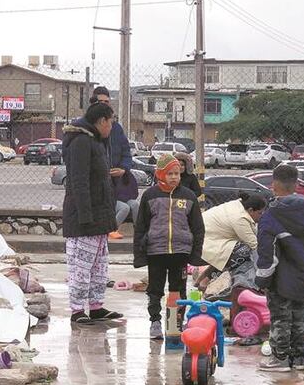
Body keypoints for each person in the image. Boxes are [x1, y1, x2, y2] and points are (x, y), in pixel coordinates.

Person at [255, 164, 304, 372]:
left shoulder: (272, 215)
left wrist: (262, 279)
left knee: (281, 318)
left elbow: (268, 253)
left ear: (273, 185)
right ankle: (301, 357)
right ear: (296, 185)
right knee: (299, 316)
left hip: (281, 278)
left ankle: (280, 358)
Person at [62, 101, 123, 325]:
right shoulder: (80, 142)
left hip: (99, 218)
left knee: (99, 266)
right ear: (101, 121)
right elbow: (79, 182)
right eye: (111, 121)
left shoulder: (95, 141)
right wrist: (86, 216)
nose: (112, 126)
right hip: (83, 220)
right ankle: (77, 310)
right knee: (81, 266)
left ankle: (96, 306)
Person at [134, 155, 206, 340]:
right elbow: (141, 226)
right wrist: (139, 255)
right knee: (155, 289)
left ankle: (175, 322)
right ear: (160, 174)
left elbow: (198, 228)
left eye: (177, 173)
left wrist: (195, 255)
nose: (174, 177)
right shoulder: (150, 195)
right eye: (170, 173)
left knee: (177, 290)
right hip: (156, 252)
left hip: (180, 253)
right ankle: (155, 321)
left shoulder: (188, 196)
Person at [90, 86, 137, 240]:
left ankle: (141, 234)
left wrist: (123, 169)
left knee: (133, 205)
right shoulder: (87, 129)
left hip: (118, 184)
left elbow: (126, 152)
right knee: (121, 208)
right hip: (99, 184)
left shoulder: (116, 128)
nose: (105, 104)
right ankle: (107, 231)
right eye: (101, 101)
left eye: (107, 102)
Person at [197, 193, 268, 290]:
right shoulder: (240, 218)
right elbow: (254, 244)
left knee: (232, 251)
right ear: (251, 210)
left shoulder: (238, 205)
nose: (261, 216)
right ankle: (205, 281)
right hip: (205, 243)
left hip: (211, 239)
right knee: (243, 251)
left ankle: (204, 276)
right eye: (260, 213)